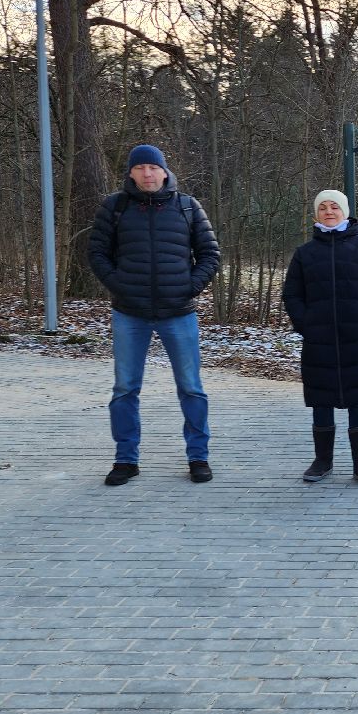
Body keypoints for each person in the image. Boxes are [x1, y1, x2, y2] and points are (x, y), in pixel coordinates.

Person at [89, 143, 221, 486]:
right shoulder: (115, 207)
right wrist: (118, 285)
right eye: (140, 168)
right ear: (131, 173)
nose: (147, 173)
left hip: (178, 312)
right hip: (129, 313)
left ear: (165, 172)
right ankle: (125, 460)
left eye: (153, 167)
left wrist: (188, 286)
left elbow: (210, 254)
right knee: (124, 389)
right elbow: (96, 253)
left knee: (191, 388)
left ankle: (198, 457)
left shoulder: (188, 208)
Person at [282, 190, 358, 487]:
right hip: (319, 341)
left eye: (334, 206)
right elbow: (292, 294)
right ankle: (322, 461)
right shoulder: (305, 254)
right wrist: (305, 324)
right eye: (323, 207)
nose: (329, 211)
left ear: (345, 212)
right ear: (316, 214)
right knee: (322, 400)